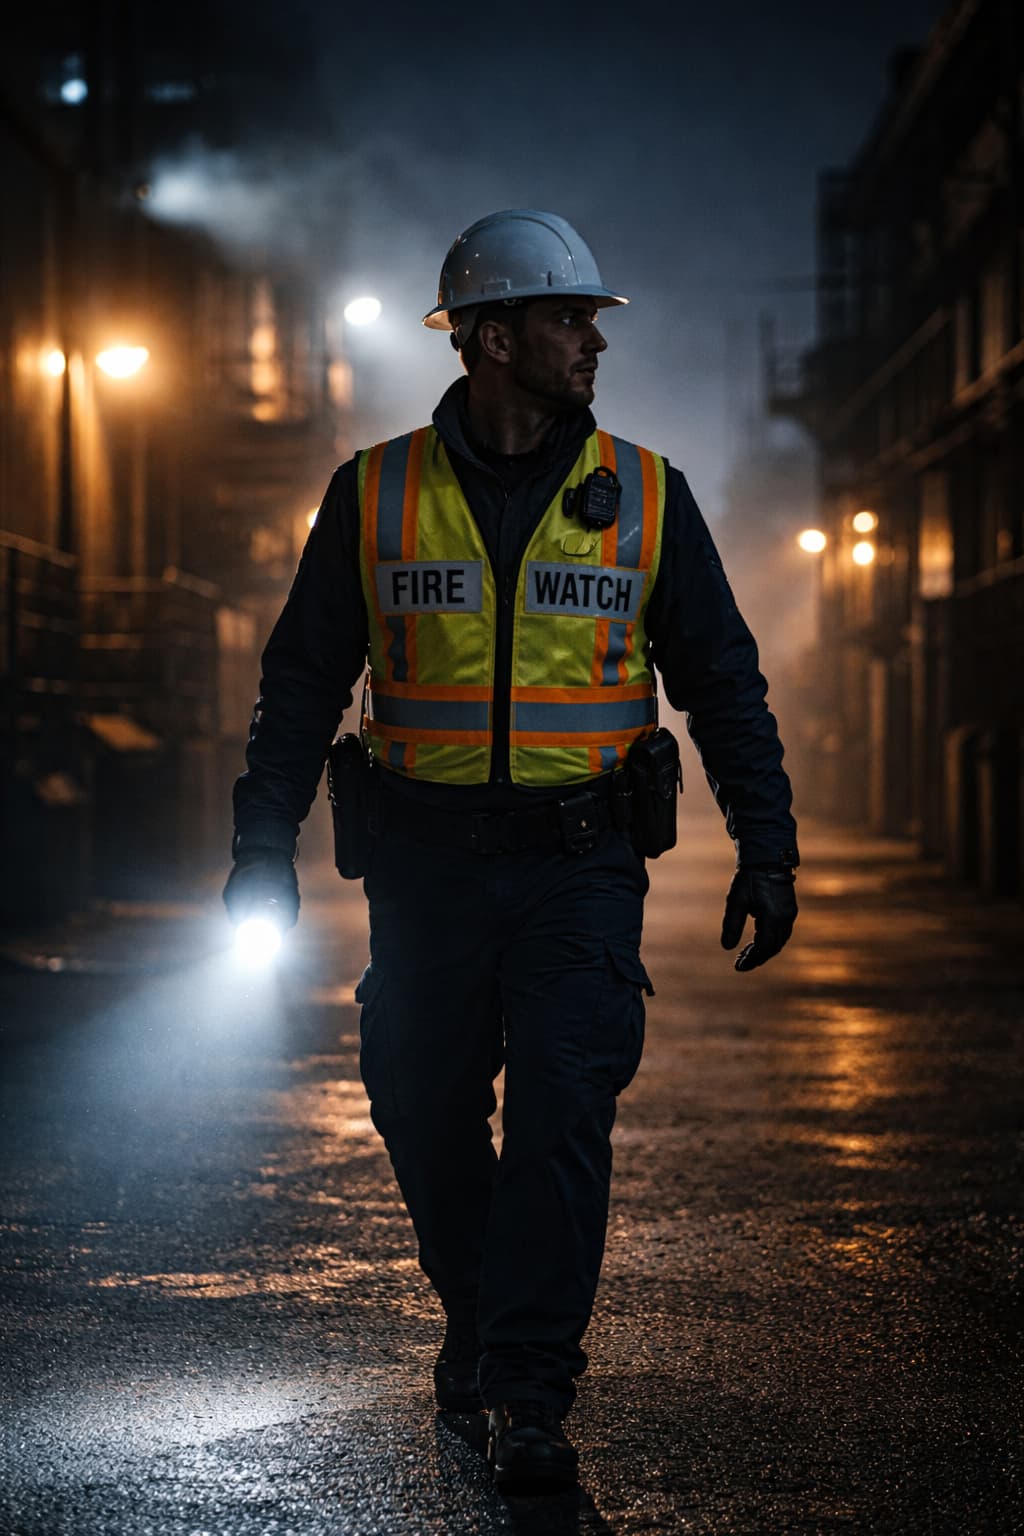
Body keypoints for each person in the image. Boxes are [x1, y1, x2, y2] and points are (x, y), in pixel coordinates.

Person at [224, 209, 799, 1494]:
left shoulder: (645, 495)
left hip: (577, 870)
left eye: (589, 319)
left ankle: (529, 1395)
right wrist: (261, 842)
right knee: (417, 1108)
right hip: (425, 875)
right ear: (492, 339)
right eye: (565, 318)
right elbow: (302, 681)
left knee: (557, 1118)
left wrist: (770, 841)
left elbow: (724, 681)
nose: (591, 342)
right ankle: (482, 1320)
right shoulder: (371, 492)